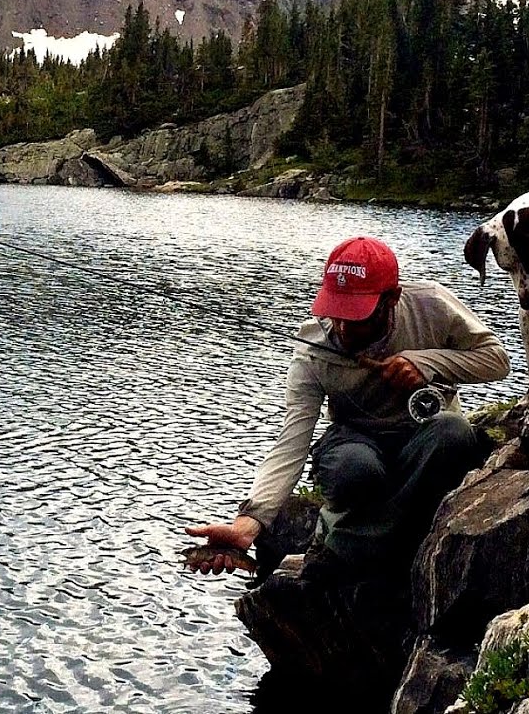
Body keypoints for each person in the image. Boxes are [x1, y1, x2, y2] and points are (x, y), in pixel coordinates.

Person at [187, 236, 510, 582]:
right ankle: (380, 543)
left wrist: (427, 362)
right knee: (354, 469)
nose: (343, 328)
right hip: (355, 440)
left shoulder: (430, 304)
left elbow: (497, 360)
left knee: (454, 432)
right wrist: (248, 526)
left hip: (424, 433)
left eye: (358, 317)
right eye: (336, 312)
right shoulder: (313, 349)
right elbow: (291, 443)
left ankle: (343, 548)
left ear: (392, 299)